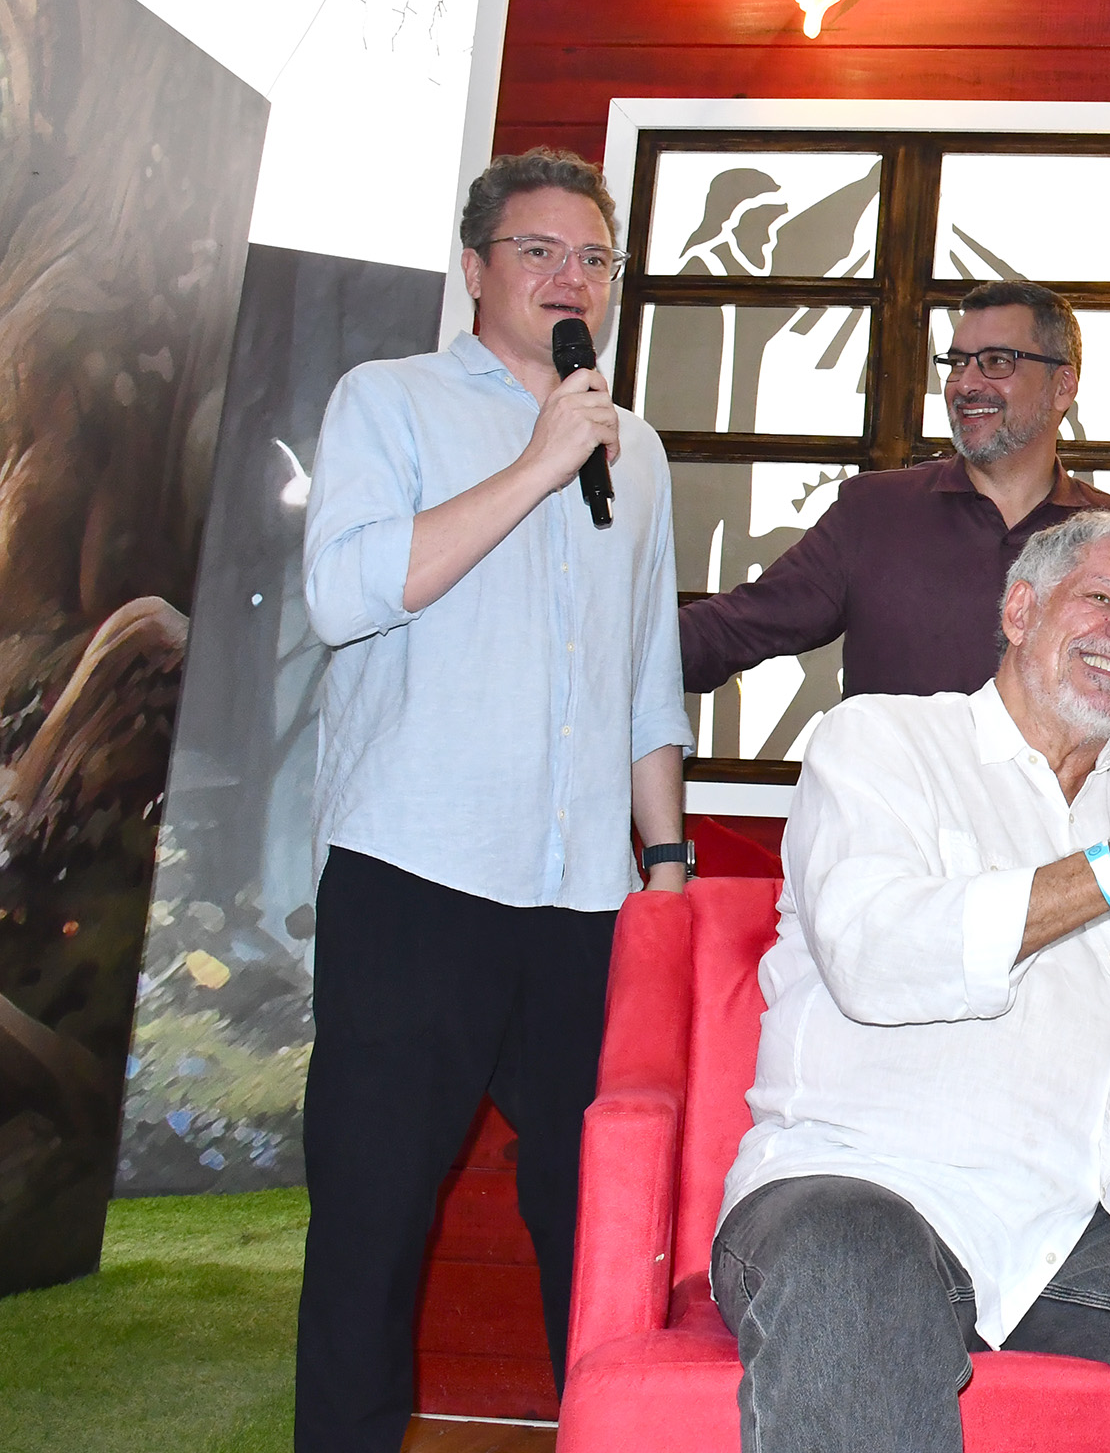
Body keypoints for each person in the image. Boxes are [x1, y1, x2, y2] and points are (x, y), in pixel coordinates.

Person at [711, 511, 1110, 1453]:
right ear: (1020, 610)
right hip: (864, 1190)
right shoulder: (882, 743)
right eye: (1100, 598)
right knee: (856, 1261)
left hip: (1091, 1226)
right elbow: (873, 954)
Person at [296, 148, 691, 1452]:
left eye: (592, 258)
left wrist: (669, 868)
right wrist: (535, 463)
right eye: (538, 251)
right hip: (416, 877)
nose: (569, 278)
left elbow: (646, 676)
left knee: (599, 1223)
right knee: (373, 1222)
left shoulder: (634, 452)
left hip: (581, 899)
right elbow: (345, 596)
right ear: (477, 268)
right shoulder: (389, 401)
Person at [679, 278, 1110, 763]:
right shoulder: (875, 512)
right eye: (957, 363)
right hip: (891, 833)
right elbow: (734, 630)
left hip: (1059, 842)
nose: (966, 384)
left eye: (997, 362)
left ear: (1062, 386)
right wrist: (613, 645)